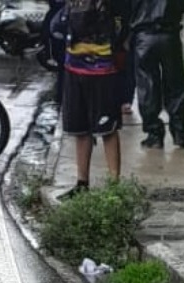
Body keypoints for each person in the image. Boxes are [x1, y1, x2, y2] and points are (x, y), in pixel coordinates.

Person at [57, 0, 130, 199]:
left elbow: (125, 20)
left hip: (104, 68)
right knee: (80, 128)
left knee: (107, 128)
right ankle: (82, 183)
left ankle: (114, 187)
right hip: (73, 65)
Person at [128, 0, 184, 149]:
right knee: (175, 83)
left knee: (147, 86)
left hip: (143, 34)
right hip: (170, 32)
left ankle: (154, 133)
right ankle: (180, 132)